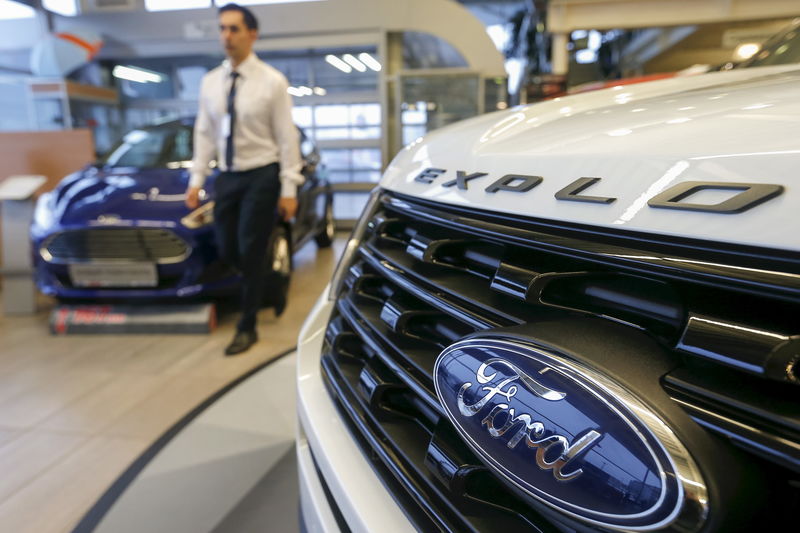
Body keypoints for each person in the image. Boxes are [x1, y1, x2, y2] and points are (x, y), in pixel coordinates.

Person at [186, 3, 303, 356]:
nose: (227, 36)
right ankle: (270, 285)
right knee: (228, 247)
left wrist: (289, 187)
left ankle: (247, 324)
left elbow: (287, 138)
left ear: (252, 34)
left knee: (251, 247)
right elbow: (205, 133)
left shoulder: (272, 81)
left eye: (234, 28)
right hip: (228, 176)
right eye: (222, 28)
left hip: (262, 175)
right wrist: (197, 179)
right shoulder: (210, 82)